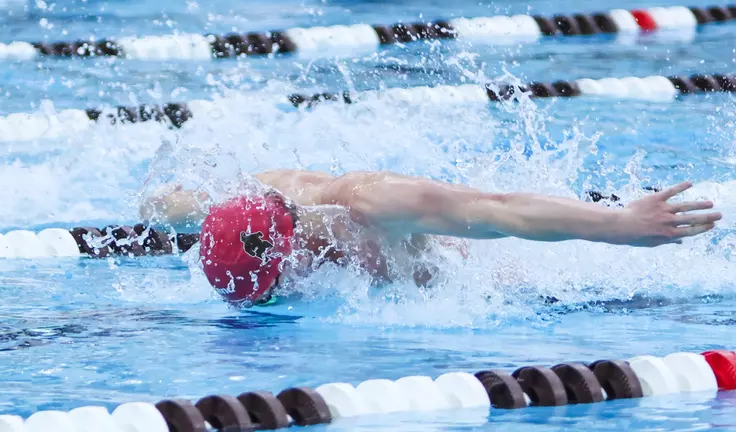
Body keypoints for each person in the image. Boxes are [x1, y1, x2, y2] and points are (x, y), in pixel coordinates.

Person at [139, 170, 721, 307]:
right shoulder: (241, 206)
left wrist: (622, 225)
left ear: (294, 245)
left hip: (488, 266)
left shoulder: (373, 205)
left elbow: (499, 212)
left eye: (279, 278)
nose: (285, 288)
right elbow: (166, 201)